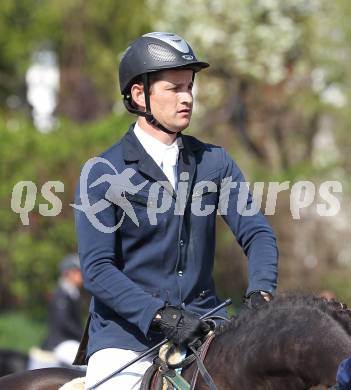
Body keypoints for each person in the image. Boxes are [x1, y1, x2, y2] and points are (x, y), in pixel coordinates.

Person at [74, 32, 278, 389]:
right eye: (174, 88)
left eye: (189, 87)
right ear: (140, 95)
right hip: (127, 340)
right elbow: (97, 270)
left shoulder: (214, 162)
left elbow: (257, 233)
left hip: (205, 329)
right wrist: (159, 316)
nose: (186, 98)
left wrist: (260, 293)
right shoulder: (102, 173)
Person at [41, 253, 84, 367]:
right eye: (78, 271)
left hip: (70, 341)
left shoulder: (72, 293)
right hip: (61, 342)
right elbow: (63, 322)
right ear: (68, 273)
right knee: (85, 363)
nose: (82, 274)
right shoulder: (62, 294)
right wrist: (84, 336)